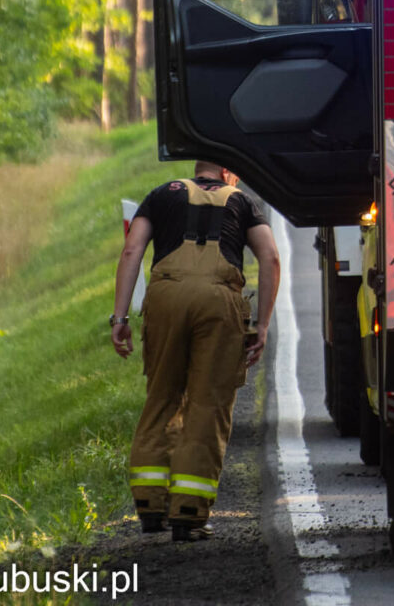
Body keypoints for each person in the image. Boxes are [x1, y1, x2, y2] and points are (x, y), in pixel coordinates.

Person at [110, 161, 281, 541]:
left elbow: (131, 251)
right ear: (225, 171)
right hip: (219, 302)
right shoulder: (242, 202)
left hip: (166, 297)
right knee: (208, 404)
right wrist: (264, 324)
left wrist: (119, 317)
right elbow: (270, 257)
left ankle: (151, 507)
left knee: (162, 397)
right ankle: (188, 512)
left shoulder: (161, 194)